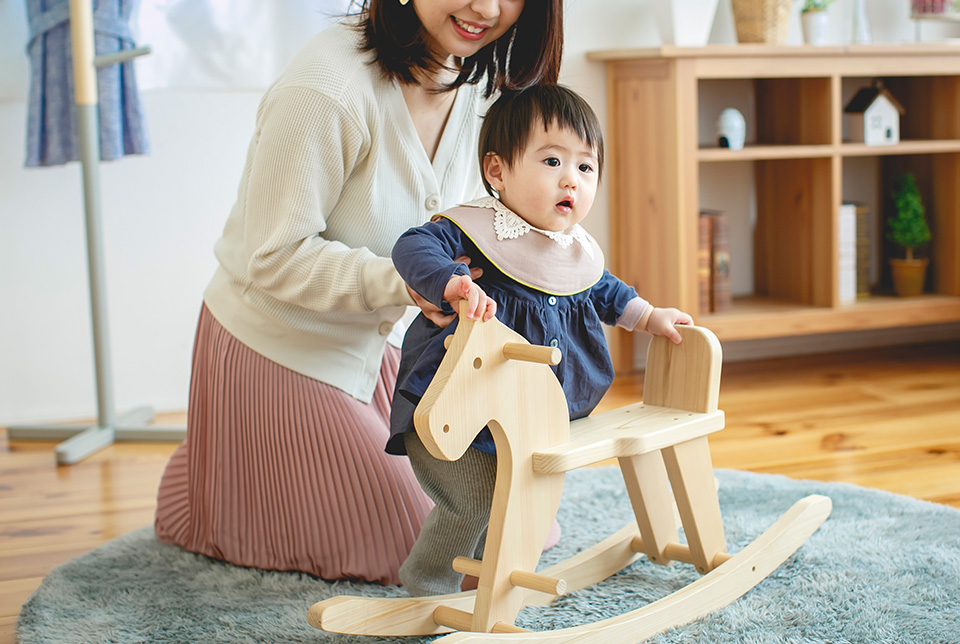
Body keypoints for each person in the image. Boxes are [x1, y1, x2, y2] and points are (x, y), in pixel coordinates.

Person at [154, 0, 565, 586]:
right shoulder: (327, 86)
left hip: (390, 346)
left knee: (509, 522)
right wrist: (405, 281)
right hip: (282, 345)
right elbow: (271, 256)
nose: (486, 8)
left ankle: (227, 474)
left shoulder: (478, 82)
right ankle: (216, 486)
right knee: (434, 549)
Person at [388, 84, 694, 597]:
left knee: (513, 499)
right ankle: (426, 584)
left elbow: (606, 292)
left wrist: (650, 316)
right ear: (498, 171)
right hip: (455, 404)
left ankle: (484, 583)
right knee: (474, 500)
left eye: (585, 167)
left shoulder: (571, 250)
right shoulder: (476, 231)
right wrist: (450, 282)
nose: (570, 179)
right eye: (552, 160)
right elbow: (412, 245)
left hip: (526, 418)